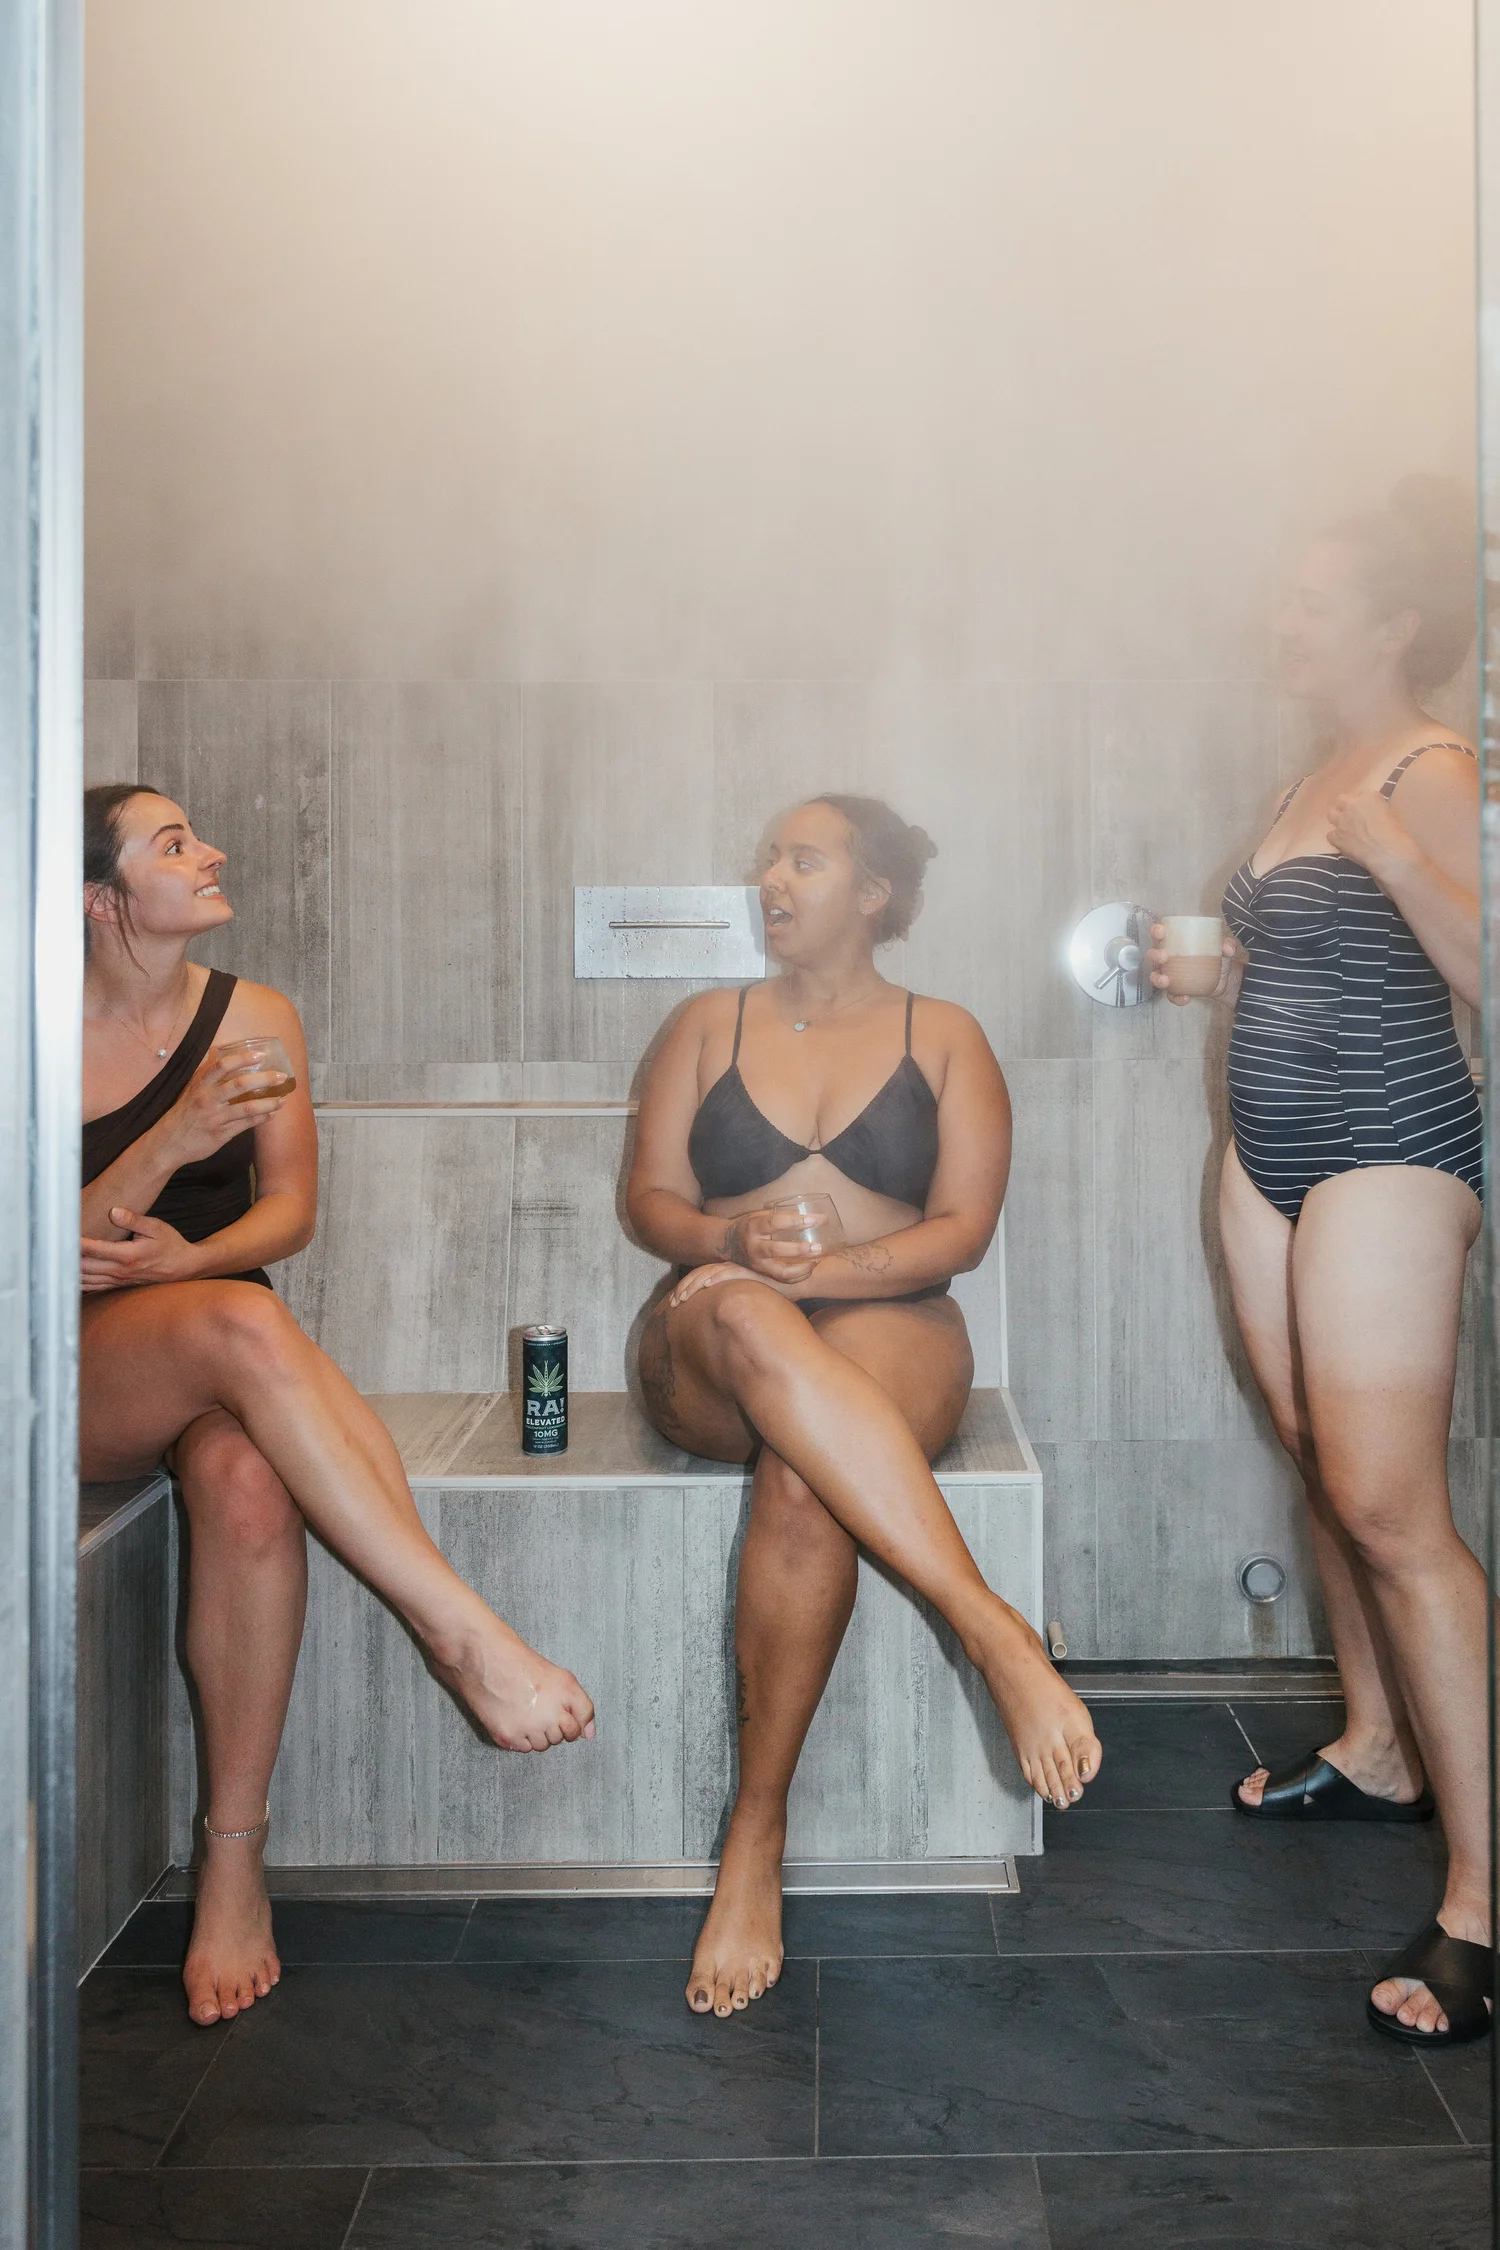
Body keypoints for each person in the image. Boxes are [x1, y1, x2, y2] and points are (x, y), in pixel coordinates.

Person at [80, 783, 595, 2028]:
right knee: (245, 1323)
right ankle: (458, 1627)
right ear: (102, 902)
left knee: (250, 1475)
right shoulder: (27, 1026)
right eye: (171, 844)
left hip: (217, 1332)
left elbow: (289, 1214)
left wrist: (184, 1261)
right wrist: (176, 1138)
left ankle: (234, 1867)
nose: (209, 852)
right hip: (74, 1362)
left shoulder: (256, 1014)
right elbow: (45, 1250)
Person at [627, 793, 1102, 2019]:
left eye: (804, 857)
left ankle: (756, 1833)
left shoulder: (945, 1033)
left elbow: (962, 1231)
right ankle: (993, 1629)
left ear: (874, 894)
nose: (771, 875)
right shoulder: (703, 1023)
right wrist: (733, 1240)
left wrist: (826, 1277)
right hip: (713, 1342)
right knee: (741, 1308)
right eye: (768, 856)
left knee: (807, 1477)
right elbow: (651, 1205)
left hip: (895, 1328)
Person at [1148, 476, 1490, 2047]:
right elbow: (1307, 953)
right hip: (1271, 1159)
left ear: (1396, 624)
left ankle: (1485, 1895)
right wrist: (1209, 968)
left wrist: (1399, 854)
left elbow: (1479, 968)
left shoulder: (1424, 763)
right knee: (1313, 1457)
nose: (1285, 622)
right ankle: (1374, 1744)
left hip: (1386, 1145)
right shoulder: (1315, 769)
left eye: (1314, 601)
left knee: (1391, 1507)